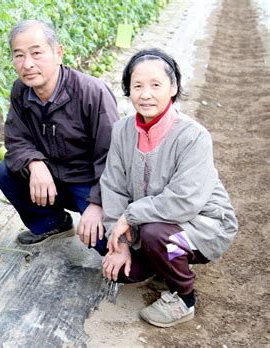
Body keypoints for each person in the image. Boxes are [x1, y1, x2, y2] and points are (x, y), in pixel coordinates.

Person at [99, 48, 238, 327]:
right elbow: (113, 186)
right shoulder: (122, 130)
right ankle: (160, 259)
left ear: (173, 88)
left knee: (157, 235)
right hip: (151, 222)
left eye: (155, 85)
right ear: (128, 90)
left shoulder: (193, 136)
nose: (146, 94)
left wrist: (130, 217)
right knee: (125, 270)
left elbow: (184, 201)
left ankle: (184, 297)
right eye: (137, 86)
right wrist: (122, 243)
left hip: (203, 225)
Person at [0, 20, 119, 248]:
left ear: (58, 53)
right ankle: (52, 223)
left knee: (107, 244)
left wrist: (98, 203)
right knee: (5, 173)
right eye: (19, 55)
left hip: (89, 182)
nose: (27, 64)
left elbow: (113, 157)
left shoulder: (91, 93)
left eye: (36, 53)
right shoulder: (21, 91)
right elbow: (16, 139)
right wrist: (34, 163)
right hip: (52, 179)